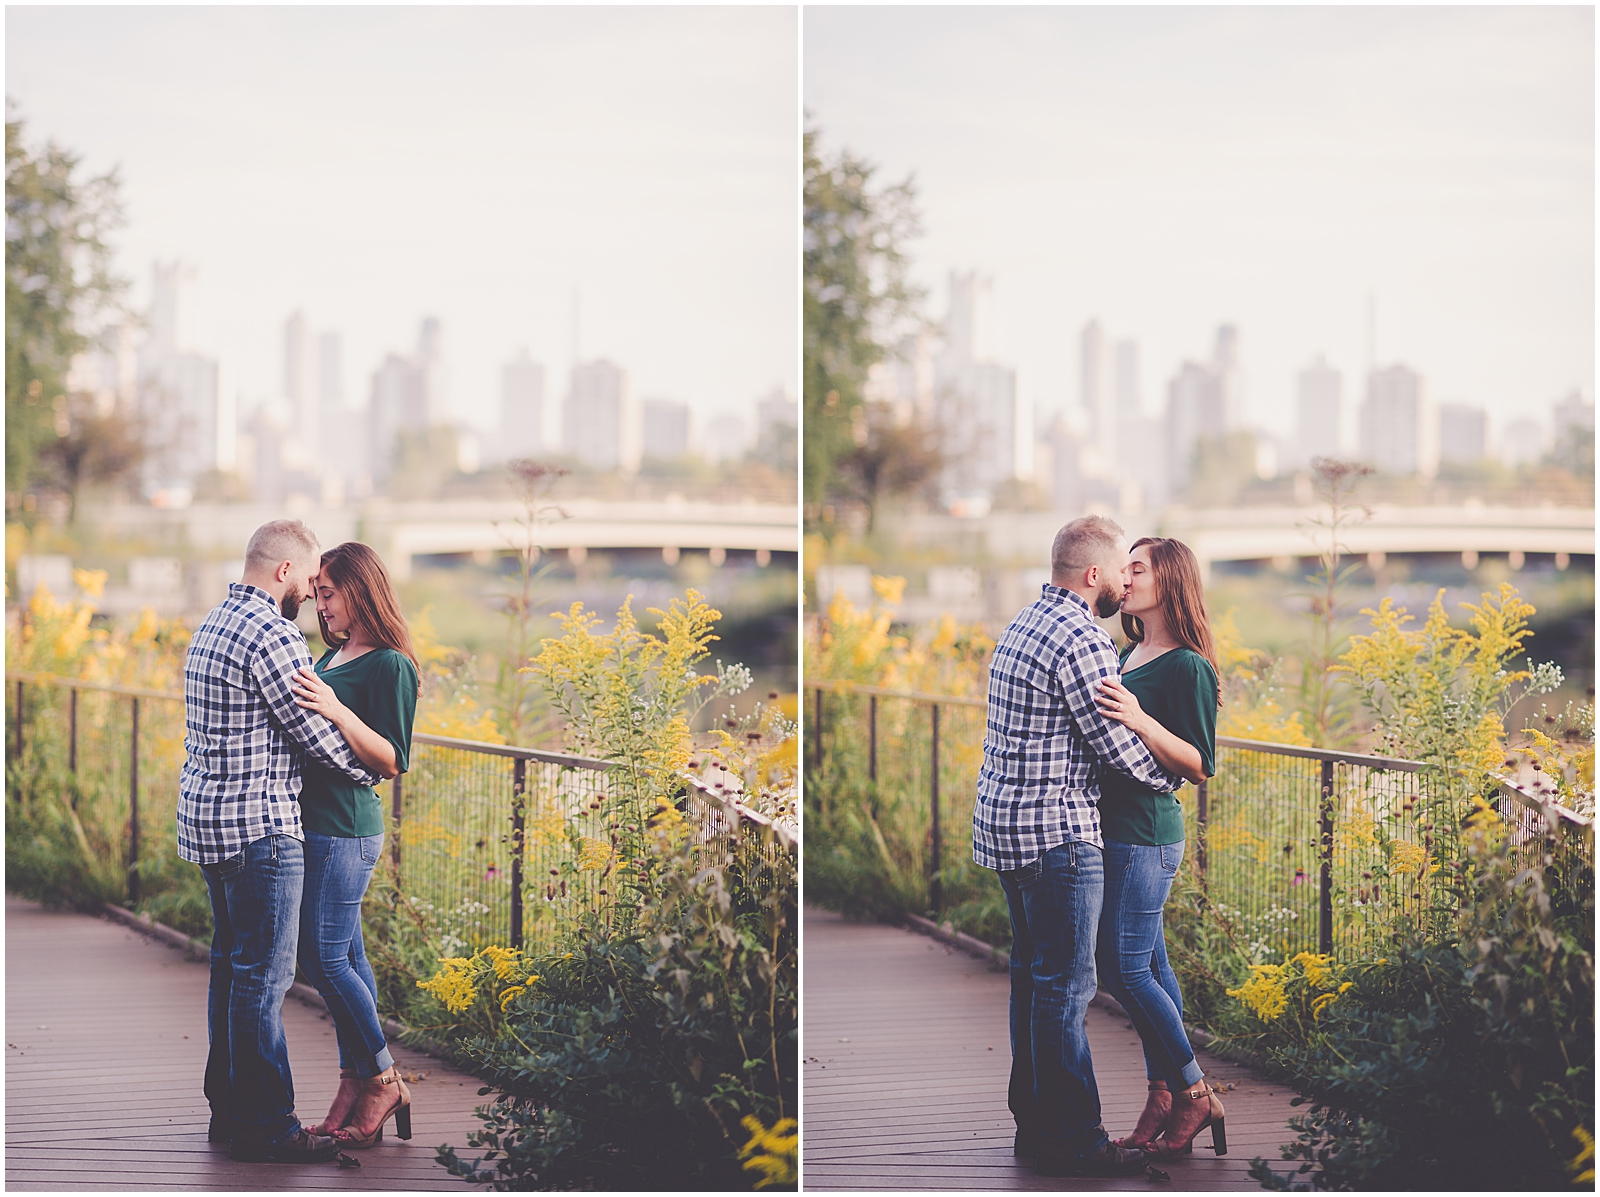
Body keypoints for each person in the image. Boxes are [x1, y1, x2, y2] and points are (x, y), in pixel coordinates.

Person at [973, 514, 1185, 1178]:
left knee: (1031, 982)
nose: (1126, 578)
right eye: (1122, 567)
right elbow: (1118, 748)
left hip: (1007, 832)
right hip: (1059, 837)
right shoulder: (1082, 639)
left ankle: (1035, 1125)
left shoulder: (1022, 625)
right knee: (1067, 989)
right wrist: (1173, 774)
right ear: (1093, 574)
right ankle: (1080, 1139)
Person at [177, 520, 381, 1163]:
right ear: (285, 572)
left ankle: (231, 1112)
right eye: (310, 580)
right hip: (261, 830)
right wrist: (369, 767)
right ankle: (270, 1125)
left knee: (229, 973)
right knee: (264, 981)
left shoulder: (210, 623)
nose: (311, 599)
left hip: (209, 825)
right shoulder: (272, 632)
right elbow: (311, 732)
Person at [1094, 536, 1226, 1158]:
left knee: (1122, 967)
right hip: (1112, 829)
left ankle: (1195, 1091)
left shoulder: (1187, 666)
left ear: (1168, 580)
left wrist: (1141, 718)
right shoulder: (1127, 652)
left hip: (1146, 833)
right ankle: (1163, 1095)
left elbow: (1200, 764)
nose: (1125, 575)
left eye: (1136, 567)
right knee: (1149, 966)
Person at [287, 541, 420, 1147]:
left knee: (322, 959)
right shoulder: (336, 652)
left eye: (330, 593)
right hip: (314, 824)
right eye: (317, 594)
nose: (322, 604)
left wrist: (338, 711)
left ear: (361, 589)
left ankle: (384, 1077)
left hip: (346, 830)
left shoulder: (389, 664)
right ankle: (353, 1080)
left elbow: (392, 758)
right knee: (350, 959)